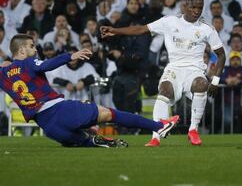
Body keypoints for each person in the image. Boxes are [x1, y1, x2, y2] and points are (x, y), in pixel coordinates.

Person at [0, 34, 179, 148]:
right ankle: (160, 126)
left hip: (49, 128)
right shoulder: (28, 63)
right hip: (60, 111)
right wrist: (70, 56)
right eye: (31, 46)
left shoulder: (4, 74)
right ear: (22, 49)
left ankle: (92, 139)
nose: (35, 49)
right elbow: (47, 64)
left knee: (84, 139)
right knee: (109, 113)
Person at [101, 0, 226, 147]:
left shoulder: (207, 29)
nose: (197, 11)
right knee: (165, 90)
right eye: (193, 7)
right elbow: (141, 29)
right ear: (185, 6)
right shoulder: (169, 21)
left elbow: (221, 55)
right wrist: (115, 30)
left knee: (201, 84)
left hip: (194, 70)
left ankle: (193, 130)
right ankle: (155, 137)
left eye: (200, 8)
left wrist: (215, 81)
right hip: (174, 68)